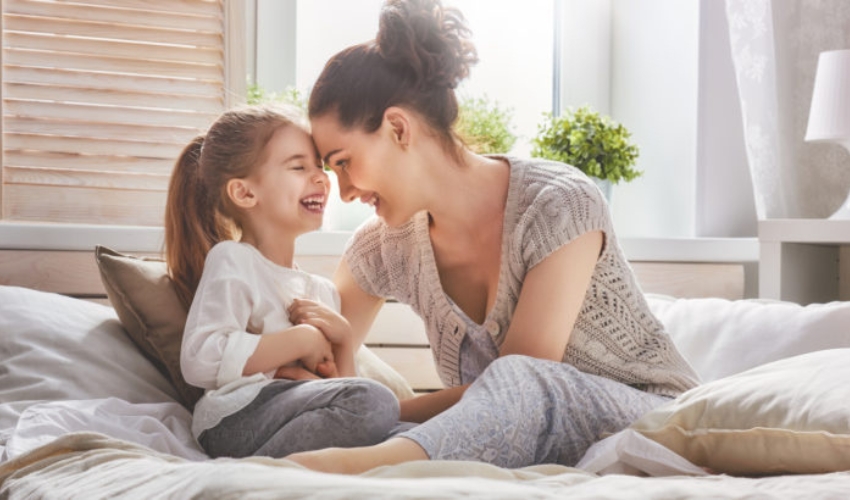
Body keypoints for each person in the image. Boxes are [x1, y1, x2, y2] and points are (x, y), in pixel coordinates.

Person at [285, 0, 700, 474]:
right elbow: (317, 366)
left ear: (398, 128)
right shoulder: (383, 247)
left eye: (342, 162)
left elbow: (524, 382)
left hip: (655, 422)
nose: (344, 190)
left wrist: (386, 415)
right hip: (531, 445)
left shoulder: (559, 204)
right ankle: (356, 461)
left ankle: (350, 469)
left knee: (519, 380)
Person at [163, 104, 401, 459]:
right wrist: (300, 340)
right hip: (234, 419)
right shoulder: (233, 259)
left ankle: (305, 465)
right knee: (378, 404)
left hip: (296, 414)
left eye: (320, 166)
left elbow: (343, 392)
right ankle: (252, 471)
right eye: (299, 166)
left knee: (392, 420)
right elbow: (199, 359)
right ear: (245, 193)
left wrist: (344, 339)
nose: (322, 177)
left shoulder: (321, 293)